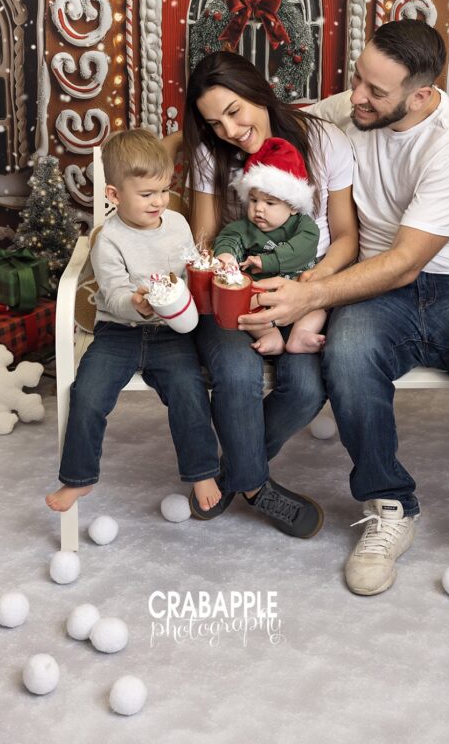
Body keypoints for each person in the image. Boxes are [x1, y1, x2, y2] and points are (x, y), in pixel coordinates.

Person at [239, 19, 449, 649]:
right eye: (358, 78)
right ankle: (390, 506)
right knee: (351, 355)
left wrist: (309, 293)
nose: (356, 95)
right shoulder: (349, 109)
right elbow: (258, 119)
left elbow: (410, 261)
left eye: (374, 91)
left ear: (419, 95)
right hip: (376, 286)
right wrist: (175, 143)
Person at [168, 50, 358, 536]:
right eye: (214, 123)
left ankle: (232, 471)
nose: (229, 130)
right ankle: (255, 485)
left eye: (234, 111)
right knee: (235, 371)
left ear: (258, 92)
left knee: (307, 388)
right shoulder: (214, 151)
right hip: (236, 290)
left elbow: (345, 237)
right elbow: (206, 233)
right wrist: (231, 275)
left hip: (306, 287)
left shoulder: (325, 142)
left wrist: (308, 290)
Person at [46, 129, 222, 514]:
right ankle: (78, 478)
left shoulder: (176, 224)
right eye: (146, 195)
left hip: (169, 333)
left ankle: (202, 470)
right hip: (119, 332)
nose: (158, 201)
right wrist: (137, 305)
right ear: (114, 195)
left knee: (189, 391)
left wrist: (203, 274)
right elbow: (112, 295)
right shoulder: (108, 238)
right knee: (88, 394)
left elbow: (191, 268)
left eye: (163, 190)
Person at [214, 136, 326, 356]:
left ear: (293, 207)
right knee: (247, 308)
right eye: (254, 200)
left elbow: (304, 248)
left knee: (318, 309)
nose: (259, 209)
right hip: (262, 294)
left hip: (298, 291)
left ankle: (301, 334)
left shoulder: (304, 226)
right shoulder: (245, 227)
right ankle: (269, 336)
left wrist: (267, 261)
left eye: (270, 203)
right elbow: (229, 238)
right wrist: (226, 255)